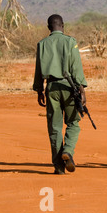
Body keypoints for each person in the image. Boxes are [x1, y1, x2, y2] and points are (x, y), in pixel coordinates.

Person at [33, 14, 87, 175]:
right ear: (63, 26)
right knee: (73, 122)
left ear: (49, 28)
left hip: (51, 87)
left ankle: (58, 167)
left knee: (54, 127)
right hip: (69, 87)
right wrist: (82, 89)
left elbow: (38, 69)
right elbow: (76, 67)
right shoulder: (70, 42)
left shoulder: (42, 44)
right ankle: (68, 150)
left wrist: (39, 90)